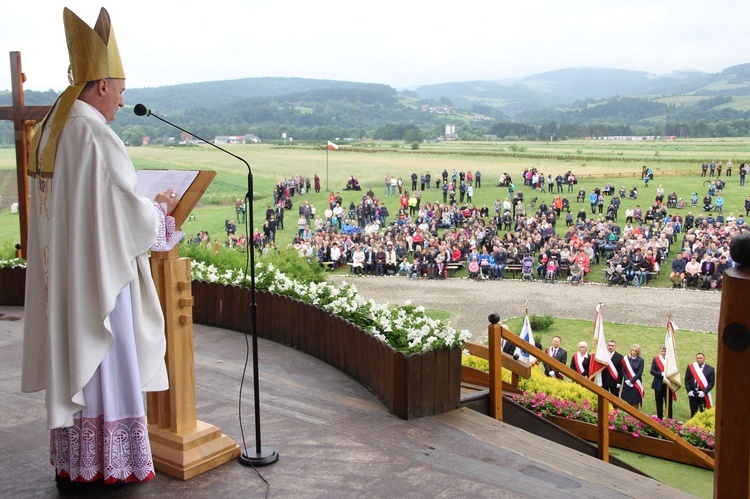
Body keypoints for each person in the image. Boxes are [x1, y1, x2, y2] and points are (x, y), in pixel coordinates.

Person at [23, 7, 174, 492]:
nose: (123, 99)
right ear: (102, 85)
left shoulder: (54, 125)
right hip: (100, 280)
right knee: (107, 352)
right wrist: (161, 210)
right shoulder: (93, 133)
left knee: (78, 357)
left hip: (66, 275)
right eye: (122, 88)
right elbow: (127, 216)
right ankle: (112, 461)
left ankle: (77, 458)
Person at [685, 352, 715, 417]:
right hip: (693, 394)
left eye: (700, 358)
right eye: (697, 358)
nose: (699, 359)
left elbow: (711, 383)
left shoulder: (710, 369)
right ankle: (692, 426)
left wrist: (704, 392)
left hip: (703, 395)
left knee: (703, 413)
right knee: (693, 411)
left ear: (704, 358)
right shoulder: (691, 367)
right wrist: (689, 391)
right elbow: (687, 380)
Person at [650, 346, 673, 420]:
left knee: (668, 403)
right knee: (659, 402)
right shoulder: (656, 359)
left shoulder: (670, 360)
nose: (663, 353)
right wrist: (660, 374)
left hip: (667, 385)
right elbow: (652, 371)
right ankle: (659, 417)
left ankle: (669, 418)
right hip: (658, 384)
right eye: (662, 351)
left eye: (665, 351)